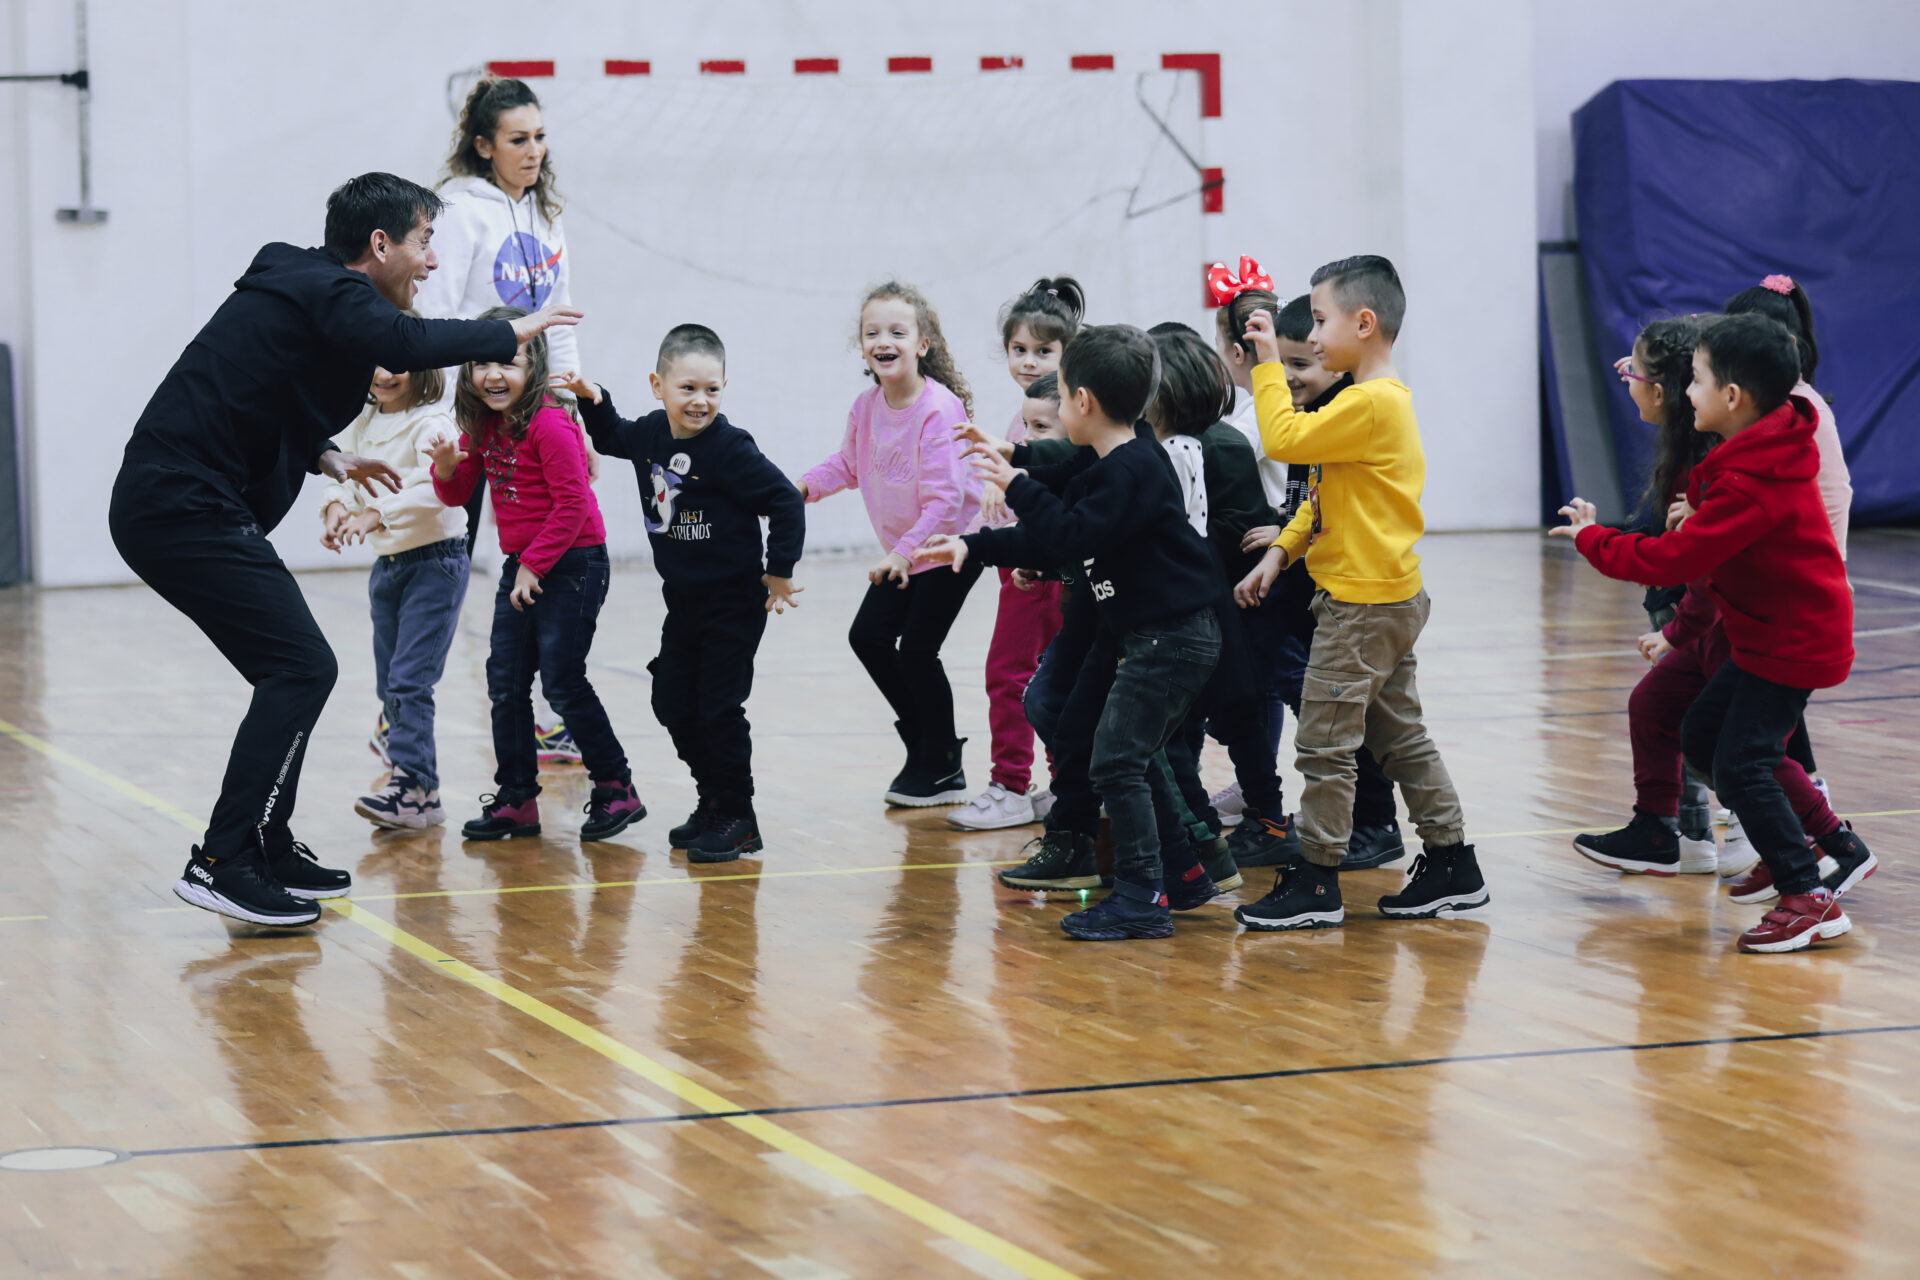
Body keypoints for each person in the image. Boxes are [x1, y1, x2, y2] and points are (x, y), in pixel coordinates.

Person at [108, 172, 578, 927]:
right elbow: (404, 339)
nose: (431, 262)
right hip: (179, 506)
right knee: (300, 666)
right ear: (381, 244)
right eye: (425, 243)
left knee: (293, 670)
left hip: (179, 503)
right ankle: (223, 860)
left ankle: (263, 842)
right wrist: (512, 330)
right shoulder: (327, 289)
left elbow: (269, 392)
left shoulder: (308, 297)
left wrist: (330, 458)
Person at [1554, 314, 1865, 953]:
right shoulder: (1753, 455)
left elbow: (1673, 561)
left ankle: (1808, 895)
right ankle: (1833, 845)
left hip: (1793, 640)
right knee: (1702, 734)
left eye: (1694, 380)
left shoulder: (1754, 480)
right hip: (1766, 634)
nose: (1684, 392)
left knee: (1743, 761)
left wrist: (1592, 539)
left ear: (1732, 397)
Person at [922, 325, 1224, 941]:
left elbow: (1066, 535)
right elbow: (1050, 520)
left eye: (1058, 398)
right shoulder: (1115, 459)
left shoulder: (1132, 470)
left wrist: (1017, 485)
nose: (1054, 412)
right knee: (1124, 755)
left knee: (1117, 761)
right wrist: (973, 542)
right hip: (1153, 636)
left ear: (1082, 402)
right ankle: (1184, 872)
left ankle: (1142, 895)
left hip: (1171, 639)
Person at [1234, 255, 1486, 930]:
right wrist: (1283, 551)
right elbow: (1321, 497)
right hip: (1382, 598)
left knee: (1324, 745)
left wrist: (1263, 362)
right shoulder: (1363, 402)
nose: (1311, 337)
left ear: (1364, 323)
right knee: (1398, 738)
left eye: (1320, 321)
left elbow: (1282, 439)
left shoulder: (1371, 404)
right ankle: (1454, 862)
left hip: (1363, 608)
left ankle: (1316, 879)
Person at [565, 325, 806, 862]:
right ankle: (712, 799)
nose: (701, 401)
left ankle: (738, 817)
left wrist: (779, 569)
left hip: (734, 603)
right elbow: (610, 437)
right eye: (688, 389)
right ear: (658, 385)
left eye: (712, 390)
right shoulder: (651, 433)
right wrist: (592, 398)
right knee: (671, 700)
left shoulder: (730, 447)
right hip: (685, 603)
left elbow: (786, 500)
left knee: (718, 708)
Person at [419, 74, 587, 765]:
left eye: (541, 136)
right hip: (475, 408)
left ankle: (550, 713)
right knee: (452, 563)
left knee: (542, 556)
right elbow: (435, 314)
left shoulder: (546, 214)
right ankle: (398, 712)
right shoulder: (462, 210)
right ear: (484, 145)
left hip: (537, 413)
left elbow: (563, 320)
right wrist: (438, 416)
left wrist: (575, 414)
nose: (534, 150)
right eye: (519, 139)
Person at [430, 307, 643, 845]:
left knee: (563, 682)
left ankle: (617, 786)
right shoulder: (482, 424)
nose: (493, 375)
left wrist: (531, 565)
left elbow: (573, 506)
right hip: (525, 565)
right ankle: (518, 799)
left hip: (574, 562)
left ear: (535, 365)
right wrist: (447, 468)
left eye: (508, 361)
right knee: (505, 683)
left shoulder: (548, 422)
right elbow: (459, 497)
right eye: (481, 363)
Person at [799, 282, 984, 806]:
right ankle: (926, 743)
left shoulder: (938, 410)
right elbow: (848, 466)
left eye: (897, 331)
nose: (884, 340)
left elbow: (946, 500)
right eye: (872, 332)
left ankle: (943, 761)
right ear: (862, 347)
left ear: (922, 344)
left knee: (919, 651)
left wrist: (903, 554)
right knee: (869, 638)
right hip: (906, 551)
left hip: (951, 546)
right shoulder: (866, 406)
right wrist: (801, 488)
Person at [949, 278, 1082, 831]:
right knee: (1044, 675)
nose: (1028, 362)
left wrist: (1014, 483)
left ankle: (1011, 784)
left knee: (1016, 673)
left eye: (1043, 351)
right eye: (1018, 350)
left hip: (1046, 568)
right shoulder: (1027, 411)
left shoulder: (1070, 417)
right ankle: (1050, 783)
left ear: (1068, 354)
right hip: (1023, 566)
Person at [318, 355, 470, 830]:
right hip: (389, 565)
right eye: (376, 363)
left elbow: (435, 489)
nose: (385, 374)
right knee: (391, 683)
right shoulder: (363, 420)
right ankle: (423, 799)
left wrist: (377, 514)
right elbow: (344, 472)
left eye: (399, 363)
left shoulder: (431, 423)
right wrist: (337, 509)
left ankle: (412, 787)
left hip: (435, 563)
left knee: (409, 680)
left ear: (422, 367)